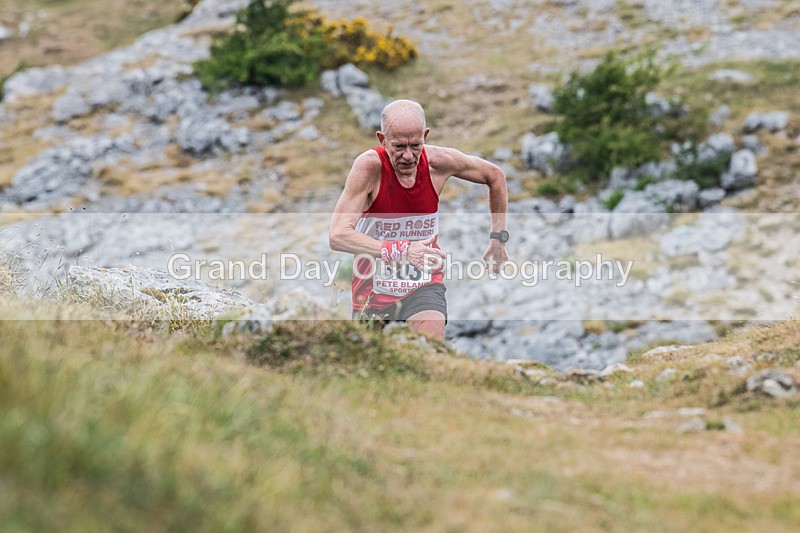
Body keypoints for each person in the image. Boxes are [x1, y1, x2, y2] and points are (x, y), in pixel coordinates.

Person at [329, 99, 508, 340]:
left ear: (425, 135)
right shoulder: (369, 167)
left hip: (423, 283)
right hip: (373, 287)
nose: (408, 156)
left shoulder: (439, 162)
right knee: (370, 366)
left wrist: (498, 238)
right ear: (382, 140)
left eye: (416, 145)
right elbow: (338, 235)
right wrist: (402, 251)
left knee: (430, 353)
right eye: (399, 146)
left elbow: (495, 176)